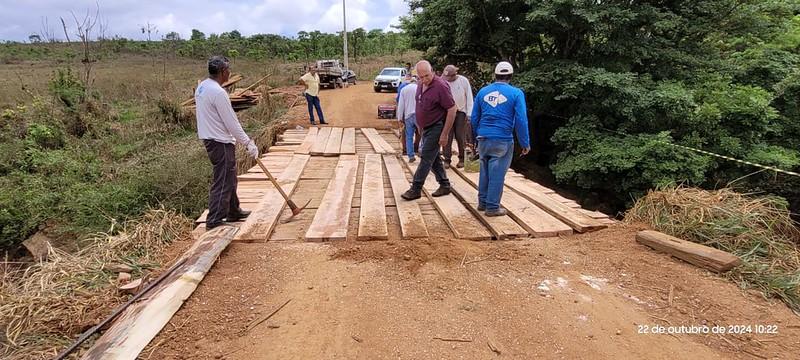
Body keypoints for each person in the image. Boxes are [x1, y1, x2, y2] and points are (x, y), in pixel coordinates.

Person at [195, 56, 259, 230]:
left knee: (229, 176)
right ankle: (214, 219)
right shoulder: (218, 93)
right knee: (223, 179)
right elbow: (232, 123)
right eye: (228, 69)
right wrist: (248, 143)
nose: (230, 72)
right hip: (220, 141)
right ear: (223, 72)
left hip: (211, 138)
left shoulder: (202, 87)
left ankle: (233, 210)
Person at [470, 61, 531, 216]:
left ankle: (482, 202)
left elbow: (475, 117)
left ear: (495, 75)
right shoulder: (516, 93)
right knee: (497, 174)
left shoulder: (483, 92)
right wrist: (525, 143)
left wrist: (476, 138)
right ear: (510, 76)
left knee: (485, 171)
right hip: (502, 138)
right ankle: (492, 207)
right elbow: (521, 119)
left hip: (483, 137)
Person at [401, 60, 456, 201]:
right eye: (421, 77)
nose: (425, 79)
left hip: (437, 126)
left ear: (432, 71)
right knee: (434, 157)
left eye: (427, 76)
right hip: (425, 127)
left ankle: (416, 188)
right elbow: (419, 105)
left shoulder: (441, 86)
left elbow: (452, 109)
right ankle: (444, 185)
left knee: (425, 156)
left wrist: (445, 134)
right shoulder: (419, 85)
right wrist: (420, 126)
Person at [441, 65, 474, 168]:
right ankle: (447, 159)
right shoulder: (443, 82)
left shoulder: (463, 81)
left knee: (461, 136)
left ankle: (462, 158)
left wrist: (469, 114)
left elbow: (469, 97)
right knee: (447, 135)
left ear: (454, 75)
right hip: (447, 112)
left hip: (460, 112)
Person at [397, 75, 419, 162]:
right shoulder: (419, 88)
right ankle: (422, 151)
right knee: (422, 134)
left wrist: (399, 118)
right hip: (419, 115)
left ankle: (411, 155)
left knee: (409, 136)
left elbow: (401, 105)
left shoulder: (404, 90)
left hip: (408, 116)